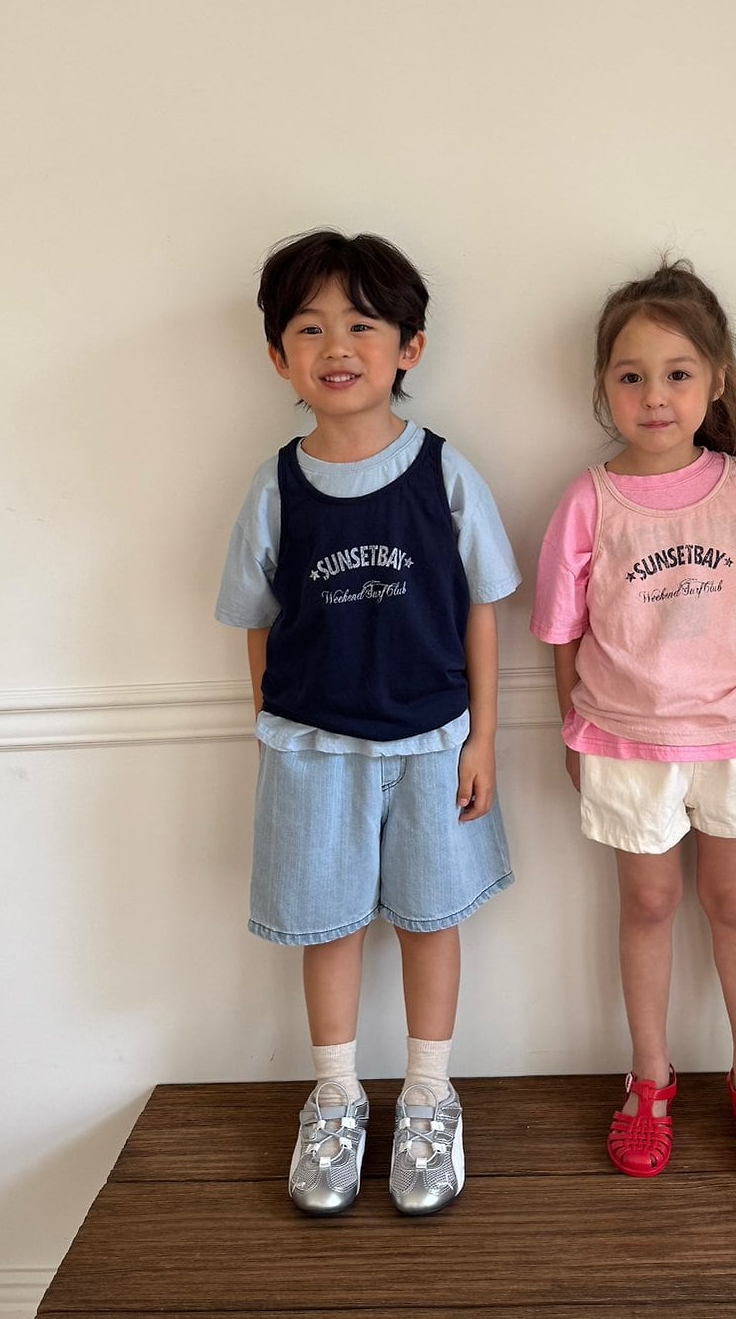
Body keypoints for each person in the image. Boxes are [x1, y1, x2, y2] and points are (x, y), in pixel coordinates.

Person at [217, 228, 519, 1218]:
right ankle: (337, 1096)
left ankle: (429, 1094)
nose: (336, 345)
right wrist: (272, 728)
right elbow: (256, 620)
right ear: (279, 356)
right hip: (314, 749)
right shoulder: (275, 486)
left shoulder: (444, 472)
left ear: (408, 347)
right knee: (331, 921)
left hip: (433, 742)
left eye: (361, 324)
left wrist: (481, 738)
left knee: (431, 918)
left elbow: (483, 607)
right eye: (308, 328)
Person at [531, 258, 736, 1189]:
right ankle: (649, 1079)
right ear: (604, 387)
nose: (654, 395)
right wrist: (571, 732)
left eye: (677, 373)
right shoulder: (588, 501)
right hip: (628, 743)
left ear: (716, 382)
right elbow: (562, 634)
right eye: (632, 375)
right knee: (649, 907)